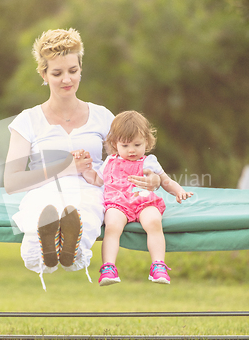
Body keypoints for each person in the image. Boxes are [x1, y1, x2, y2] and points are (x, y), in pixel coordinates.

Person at [4, 29, 160, 290]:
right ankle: (49, 246)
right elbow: (12, 182)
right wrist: (65, 167)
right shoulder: (27, 120)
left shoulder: (102, 116)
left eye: (73, 70)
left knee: (84, 209)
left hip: (92, 187)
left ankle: (69, 248)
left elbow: (127, 163)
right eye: (57, 73)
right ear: (43, 74)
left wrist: (151, 178)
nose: (67, 79)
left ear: (80, 69)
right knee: (46, 210)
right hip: (44, 189)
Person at [79, 110, 194, 286]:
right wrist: (86, 170)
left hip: (143, 202)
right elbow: (97, 180)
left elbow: (165, 181)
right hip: (117, 203)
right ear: (114, 144)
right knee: (112, 226)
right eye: (125, 146)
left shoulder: (149, 161)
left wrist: (178, 191)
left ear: (146, 142)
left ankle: (158, 265)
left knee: (154, 222)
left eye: (137, 144)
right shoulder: (110, 161)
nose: (131, 150)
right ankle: (108, 267)